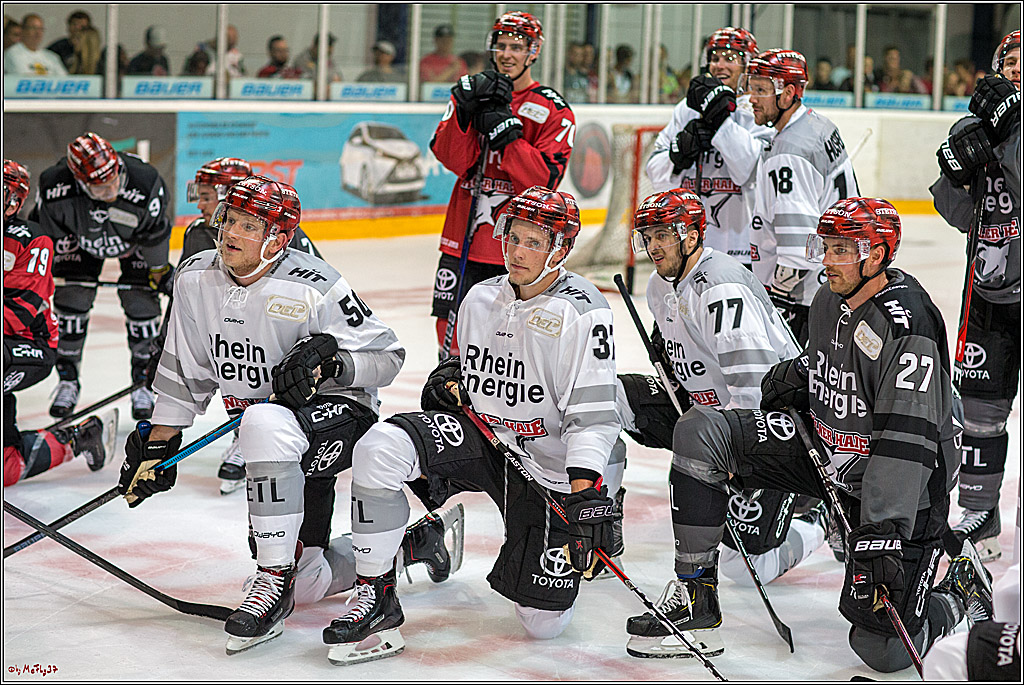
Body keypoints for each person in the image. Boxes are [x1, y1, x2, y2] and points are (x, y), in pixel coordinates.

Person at [117, 175, 464, 655]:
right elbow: (184, 373)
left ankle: (271, 582)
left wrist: (335, 363)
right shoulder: (196, 277)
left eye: (248, 226)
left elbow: (389, 356)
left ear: (278, 239)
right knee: (310, 579)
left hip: (339, 418)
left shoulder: (315, 286)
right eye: (229, 220)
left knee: (262, 426)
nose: (230, 234)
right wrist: (158, 446)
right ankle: (415, 544)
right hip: (271, 437)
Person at [655, 196, 992, 670]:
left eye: (839, 250)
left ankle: (958, 589)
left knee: (882, 649)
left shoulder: (907, 321)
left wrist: (883, 531)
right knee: (702, 431)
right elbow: (835, 362)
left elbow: (906, 437)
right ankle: (695, 594)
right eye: (825, 246)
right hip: (829, 452)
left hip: (905, 487)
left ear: (875, 255)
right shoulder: (828, 299)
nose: (825, 260)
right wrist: (797, 376)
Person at [324, 186, 621, 665]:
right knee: (381, 445)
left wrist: (585, 488)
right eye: (513, 237)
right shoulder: (479, 298)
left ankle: (423, 543)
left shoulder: (583, 311)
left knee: (543, 624)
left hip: (546, 468)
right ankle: (376, 590)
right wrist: (448, 382)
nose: (517, 251)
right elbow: (461, 371)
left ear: (561, 248)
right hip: (482, 438)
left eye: (533, 241)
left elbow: (593, 414)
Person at [618, 189, 824, 657]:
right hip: (707, 414)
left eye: (665, 236)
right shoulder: (659, 286)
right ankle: (595, 522)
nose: (654, 247)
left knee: (744, 562)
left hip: (774, 421)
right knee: (607, 397)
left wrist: (733, 467)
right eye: (648, 236)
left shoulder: (720, 286)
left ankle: (816, 521)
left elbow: (754, 389)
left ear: (691, 235)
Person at [149, 157, 323, 494]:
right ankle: (243, 435)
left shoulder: (286, 236)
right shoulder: (197, 232)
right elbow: (187, 296)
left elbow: (315, 291)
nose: (199, 204)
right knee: (235, 370)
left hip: (277, 327)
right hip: (228, 325)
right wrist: (163, 341)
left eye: (204, 196)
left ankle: (261, 439)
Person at [429, 10, 575, 358]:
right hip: (463, 237)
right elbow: (454, 160)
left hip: (518, 245)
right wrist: (463, 114)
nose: (507, 54)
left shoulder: (552, 109)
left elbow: (544, 181)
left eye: (516, 47)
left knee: (512, 335)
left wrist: (506, 136)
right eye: (501, 46)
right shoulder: (473, 93)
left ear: (533, 52)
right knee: (450, 329)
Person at [930, 30, 1020, 562]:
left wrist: (1008, 137)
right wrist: (953, 172)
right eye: (1010, 59)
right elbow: (961, 214)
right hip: (987, 293)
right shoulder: (973, 123)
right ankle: (980, 510)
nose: (1017, 68)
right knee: (980, 413)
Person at [29, 132, 171, 422]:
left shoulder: (145, 181)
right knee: (72, 298)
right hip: (78, 242)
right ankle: (67, 379)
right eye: (101, 188)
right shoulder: (55, 186)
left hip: (136, 244)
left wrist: (158, 270)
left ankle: (142, 383)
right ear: (79, 182)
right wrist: (38, 276)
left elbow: (155, 234)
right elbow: (43, 240)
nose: (112, 190)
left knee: (141, 301)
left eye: (115, 181)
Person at [4, 159, 117, 487]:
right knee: (7, 468)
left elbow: (19, 314)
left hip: (30, 346)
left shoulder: (32, 240)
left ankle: (77, 437)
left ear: (14, 202)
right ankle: (83, 437)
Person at [743, 48, 859, 345]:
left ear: (788, 93)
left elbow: (798, 251)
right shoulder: (818, 125)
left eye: (761, 90)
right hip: (831, 288)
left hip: (804, 301)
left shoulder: (789, 153)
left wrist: (778, 301)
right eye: (750, 87)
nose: (751, 98)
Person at [648, 27, 771, 269]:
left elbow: (751, 171)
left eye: (731, 58)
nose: (720, 65)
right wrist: (678, 154)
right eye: (715, 58)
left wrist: (720, 123)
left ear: (748, 65)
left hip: (744, 245)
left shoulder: (758, 107)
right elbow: (654, 172)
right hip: (692, 245)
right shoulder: (688, 108)